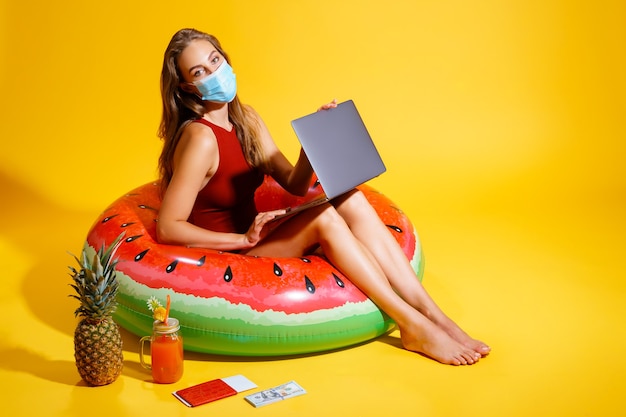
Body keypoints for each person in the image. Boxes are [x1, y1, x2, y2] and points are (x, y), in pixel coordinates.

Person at [156, 28, 491, 365]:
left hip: (257, 234)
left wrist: (311, 147)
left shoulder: (247, 120)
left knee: (352, 198)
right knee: (325, 218)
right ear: (187, 87)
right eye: (200, 72)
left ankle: (437, 316)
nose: (216, 74)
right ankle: (412, 325)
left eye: (216, 61)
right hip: (231, 253)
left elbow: (294, 183)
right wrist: (241, 238)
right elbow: (169, 227)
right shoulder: (199, 138)